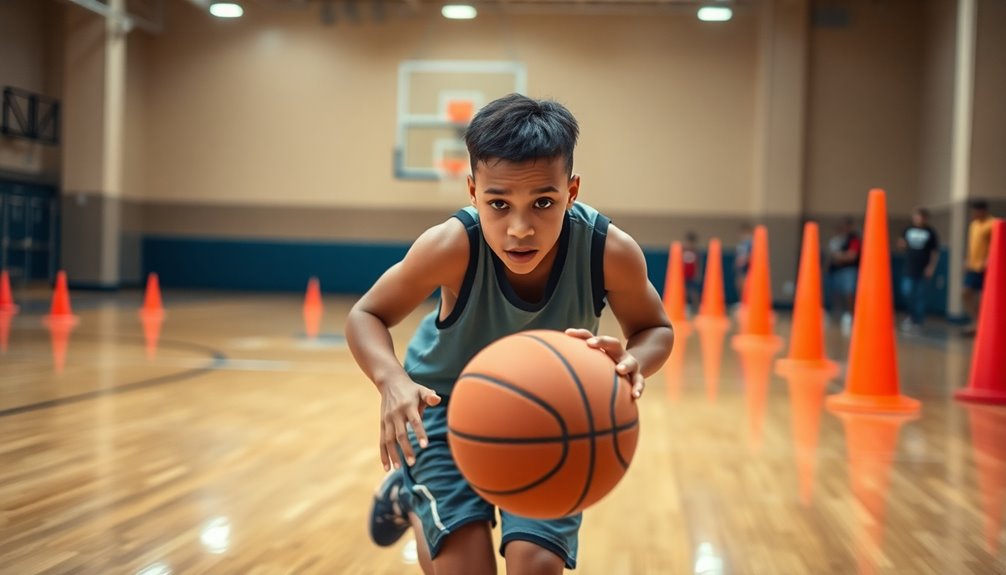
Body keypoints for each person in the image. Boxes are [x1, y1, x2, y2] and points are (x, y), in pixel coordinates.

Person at [345, 93, 674, 575]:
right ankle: (409, 491)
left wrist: (633, 360)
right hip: (444, 407)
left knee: (537, 565)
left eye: (544, 202)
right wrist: (391, 379)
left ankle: (411, 491)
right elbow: (367, 313)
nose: (520, 228)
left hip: (552, 409)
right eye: (499, 204)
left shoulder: (608, 251)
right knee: (466, 567)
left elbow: (655, 328)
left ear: (573, 190)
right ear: (473, 191)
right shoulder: (451, 245)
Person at [897, 207, 940, 332]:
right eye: (916, 216)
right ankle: (909, 315)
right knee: (907, 291)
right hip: (909, 266)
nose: (918, 219)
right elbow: (901, 244)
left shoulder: (930, 232)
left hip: (923, 268)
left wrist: (931, 267)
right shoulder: (908, 230)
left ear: (925, 218)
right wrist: (902, 244)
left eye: (921, 217)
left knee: (920, 295)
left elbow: (935, 252)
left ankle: (917, 319)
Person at [962, 199, 995, 336]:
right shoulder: (974, 225)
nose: (974, 213)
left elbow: (997, 244)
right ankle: (977, 321)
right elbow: (972, 245)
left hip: (986, 268)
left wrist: (989, 260)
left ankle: (983, 324)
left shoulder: (992, 224)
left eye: (976, 211)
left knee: (983, 298)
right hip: (973, 266)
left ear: (983, 211)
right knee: (965, 293)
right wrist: (967, 259)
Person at [827, 217, 861, 335]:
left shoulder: (854, 239)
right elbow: (832, 256)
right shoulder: (836, 240)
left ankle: (851, 314)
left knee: (849, 292)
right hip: (836, 270)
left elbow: (852, 256)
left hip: (849, 270)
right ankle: (838, 314)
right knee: (837, 293)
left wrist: (840, 257)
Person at [682, 231, 702, 313]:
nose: (689, 244)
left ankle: (696, 308)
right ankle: (685, 306)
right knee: (684, 291)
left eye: (691, 242)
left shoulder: (695, 252)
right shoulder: (683, 250)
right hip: (684, 275)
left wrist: (698, 274)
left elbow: (698, 264)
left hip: (692, 275)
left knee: (693, 292)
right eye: (688, 242)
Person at [733, 224, 753, 305]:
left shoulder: (751, 243)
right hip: (740, 268)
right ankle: (743, 302)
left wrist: (745, 260)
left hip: (747, 268)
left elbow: (752, 255)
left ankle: (747, 303)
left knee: (746, 286)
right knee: (739, 285)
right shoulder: (741, 244)